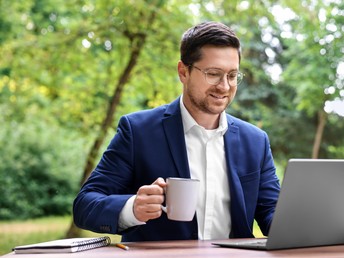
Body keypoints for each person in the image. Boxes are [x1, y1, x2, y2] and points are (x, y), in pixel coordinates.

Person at [73, 21, 280, 242]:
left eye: (232, 76)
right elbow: (85, 205)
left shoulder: (255, 141)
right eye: (213, 74)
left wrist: (304, 221)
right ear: (183, 72)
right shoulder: (138, 131)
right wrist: (133, 208)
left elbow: (271, 211)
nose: (224, 87)